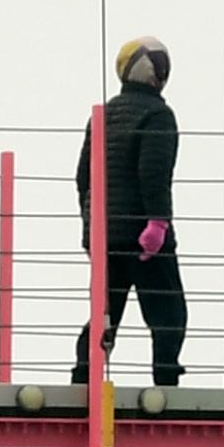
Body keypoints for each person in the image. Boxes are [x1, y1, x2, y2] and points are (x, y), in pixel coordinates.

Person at [72, 35, 188, 388]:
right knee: (168, 313)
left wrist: (90, 225)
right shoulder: (157, 115)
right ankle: (166, 383)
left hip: (106, 236)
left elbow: (83, 177)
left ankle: (83, 379)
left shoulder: (102, 116)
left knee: (105, 313)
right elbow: (153, 173)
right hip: (143, 236)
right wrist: (157, 223)